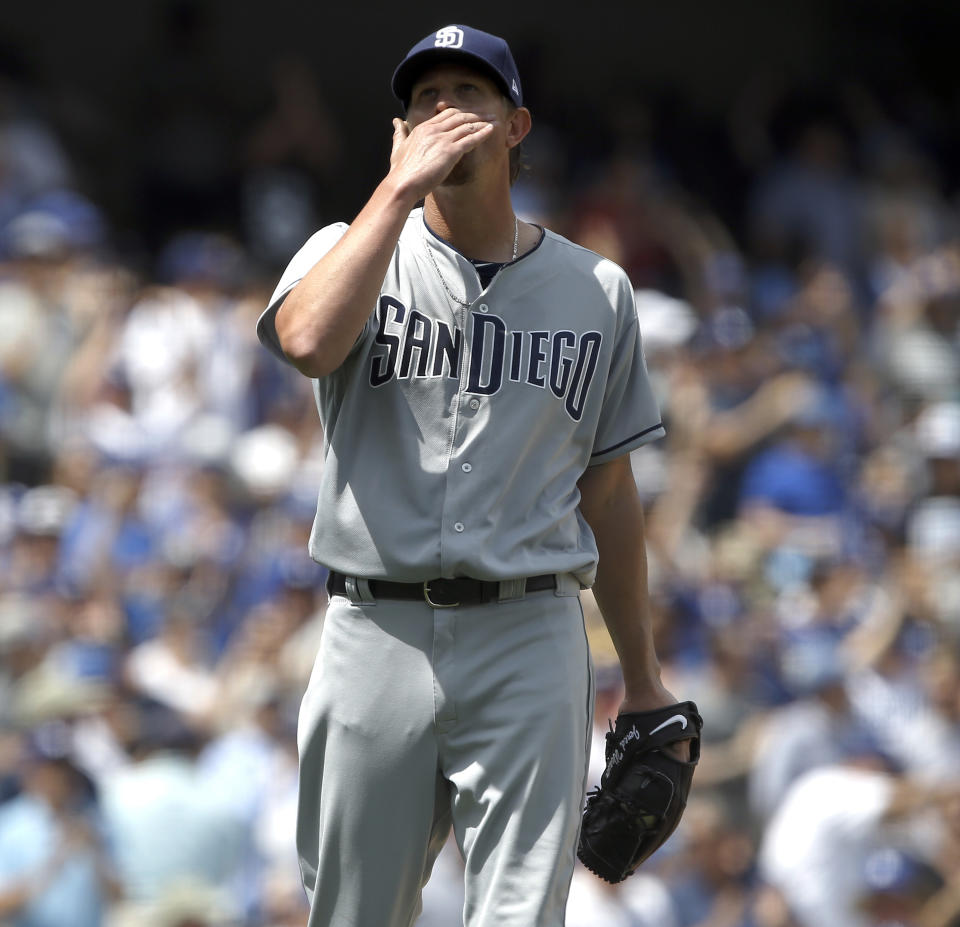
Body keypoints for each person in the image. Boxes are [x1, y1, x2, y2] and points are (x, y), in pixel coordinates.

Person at [257, 24, 689, 927]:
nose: (444, 112)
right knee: (354, 913)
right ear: (397, 126)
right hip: (377, 628)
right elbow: (306, 341)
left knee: (522, 915)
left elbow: (607, 491)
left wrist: (642, 677)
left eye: (469, 95)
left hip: (529, 629)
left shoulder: (597, 289)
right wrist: (394, 191)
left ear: (517, 124)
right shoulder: (348, 248)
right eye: (424, 98)